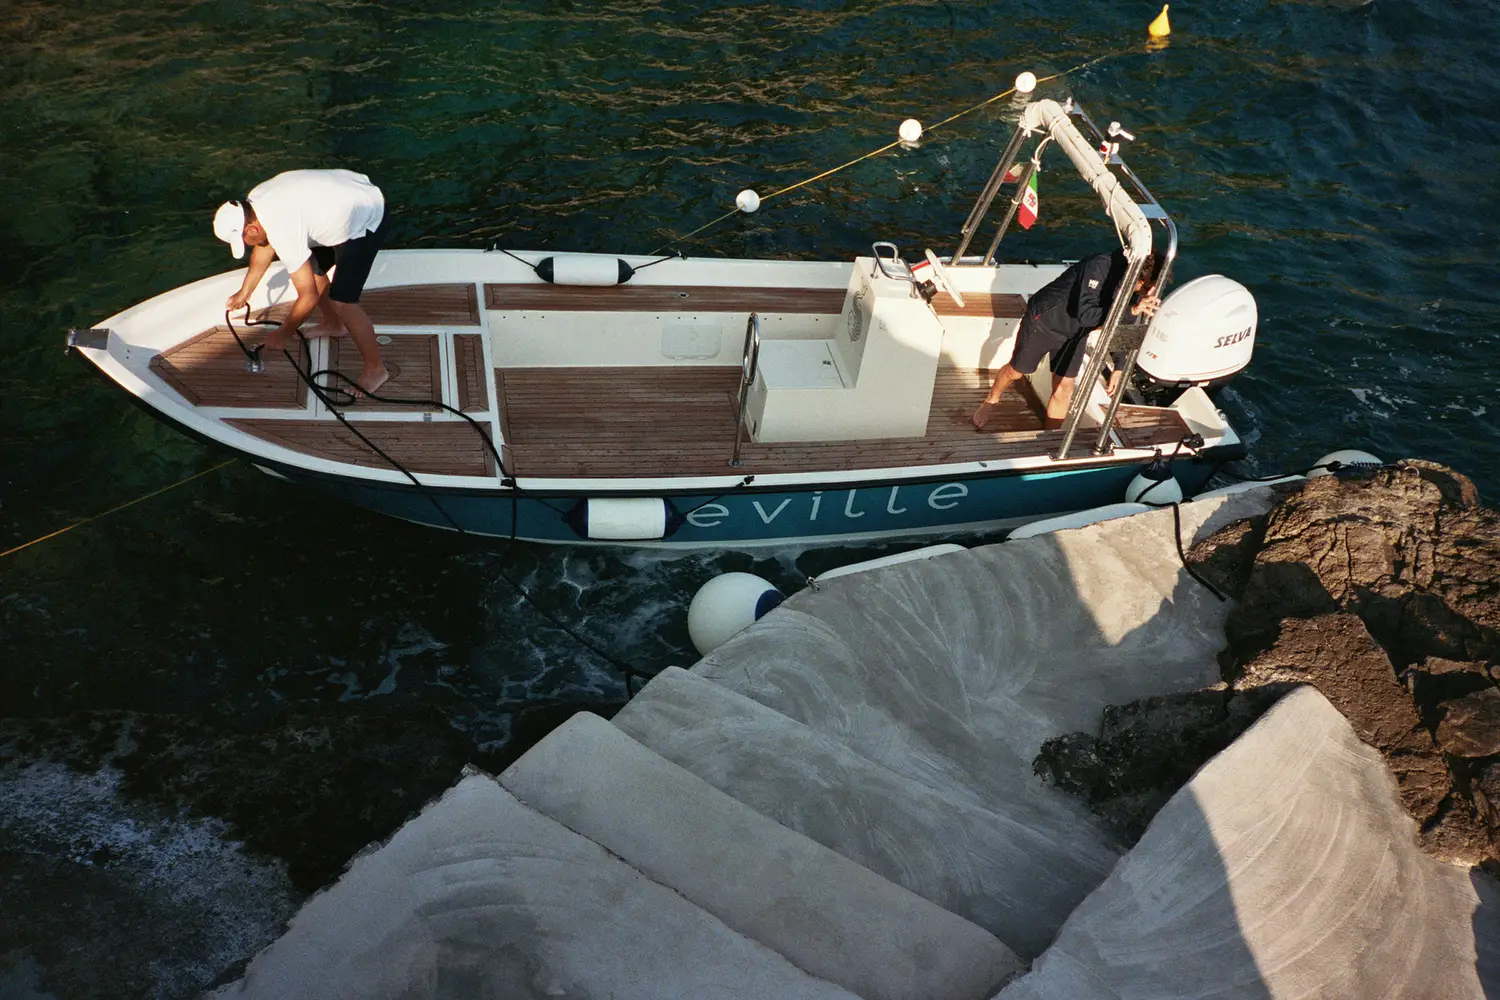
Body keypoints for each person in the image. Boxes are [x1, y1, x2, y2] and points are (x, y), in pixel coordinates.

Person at [213, 169, 390, 396]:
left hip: (367, 215)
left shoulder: (281, 227)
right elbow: (264, 246)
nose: (247, 246)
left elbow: (307, 297)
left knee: (343, 301)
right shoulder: (256, 202)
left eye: (244, 241)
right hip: (343, 199)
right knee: (315, 270)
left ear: (251, 228)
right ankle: (333, 324)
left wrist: (283, 334)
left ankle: (376, 369)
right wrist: (244, 292)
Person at [972, 248, 1163, 430]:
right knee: (1017, 370)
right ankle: (992, 399)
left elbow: (1123, 324)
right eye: (1145, 286)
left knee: (1065, 388)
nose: (1146, 292)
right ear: (1136, 275)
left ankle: (1049, 438)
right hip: (1046, 322)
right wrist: (1131, 311)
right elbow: (1086, 314)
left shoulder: (1135, 290)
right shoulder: (1098, 266)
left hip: (1076, 334)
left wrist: (1119, 366)